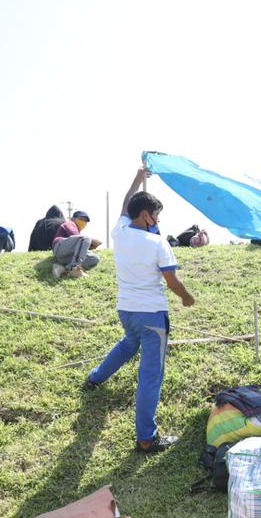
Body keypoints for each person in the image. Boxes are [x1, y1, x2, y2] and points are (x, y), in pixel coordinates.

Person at [83, 166, 195, 453]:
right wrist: (187, 298)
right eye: (156, 214)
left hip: (127, 311)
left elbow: (125, 204)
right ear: (146, 214)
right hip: (152, 316)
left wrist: (136, 178)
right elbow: (172, 281)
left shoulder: (119, 232)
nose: (158, 220)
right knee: (151, 374)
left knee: (128, 343)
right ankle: (147, 437)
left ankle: (95, 377)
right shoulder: (157, 243)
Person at [51, 211, 101, 278]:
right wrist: (92, 241)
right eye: (81, 219)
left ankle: (62, 268)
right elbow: (76, 236)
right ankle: (75, 269)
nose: (83, 222)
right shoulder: (70, 223)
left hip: (65, 256)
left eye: (85, 221)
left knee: (94, 258)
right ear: (73, 218)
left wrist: (88, 246)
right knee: (86, 238)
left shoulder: (77, 230)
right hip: (59, 247)